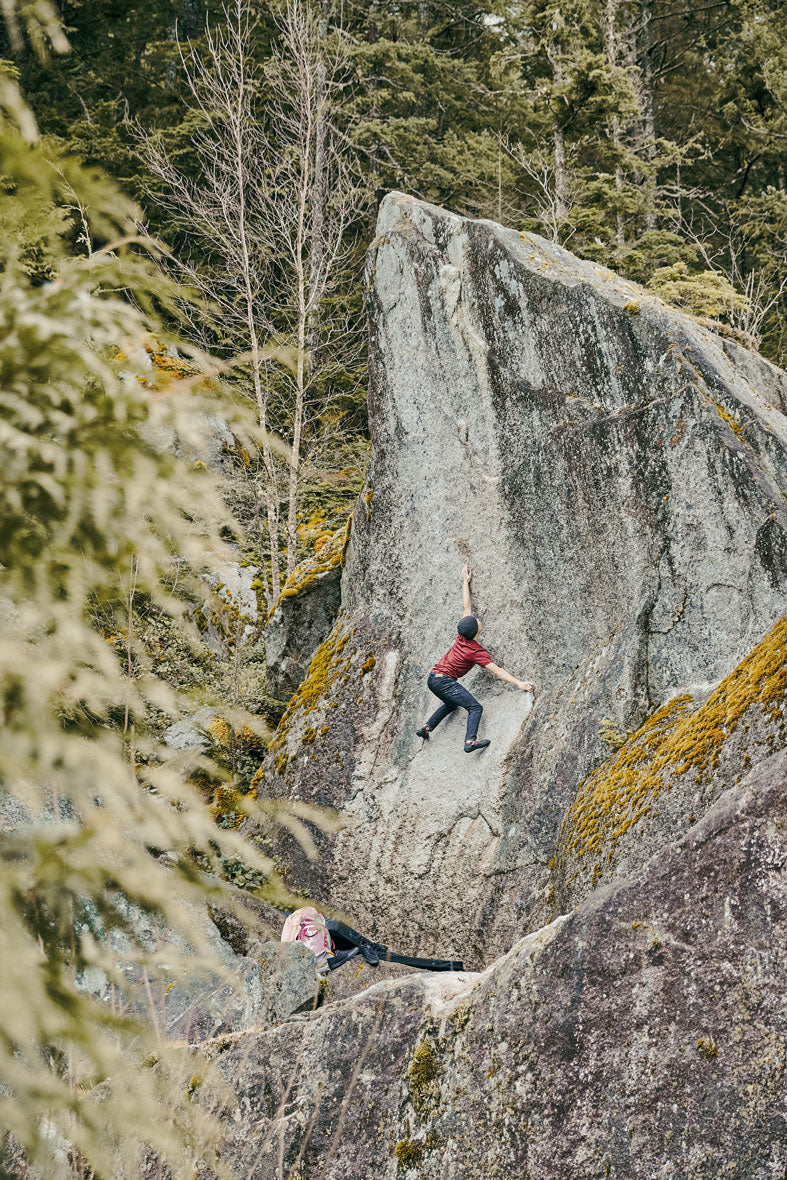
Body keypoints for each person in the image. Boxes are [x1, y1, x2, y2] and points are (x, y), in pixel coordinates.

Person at [416, 565, 534, 753]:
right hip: (445, 681)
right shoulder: (475, 651)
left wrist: (465, 581)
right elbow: (497, 671)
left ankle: (426, 727)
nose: (477, 619)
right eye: (476, 621)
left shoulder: (463, 634)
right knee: (475, 707)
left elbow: (466, 606)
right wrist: (519, 683)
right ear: (476, 630)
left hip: (433, 678)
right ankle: (470, 742)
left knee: (451, 704)